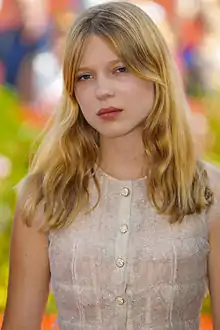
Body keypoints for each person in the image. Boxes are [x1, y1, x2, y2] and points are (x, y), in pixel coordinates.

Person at [2, 2, 220, 330]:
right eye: (85, 76)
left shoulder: (210, 192)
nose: (102, 90)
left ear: (156, 72)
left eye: (120, 69)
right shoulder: (42, 196)